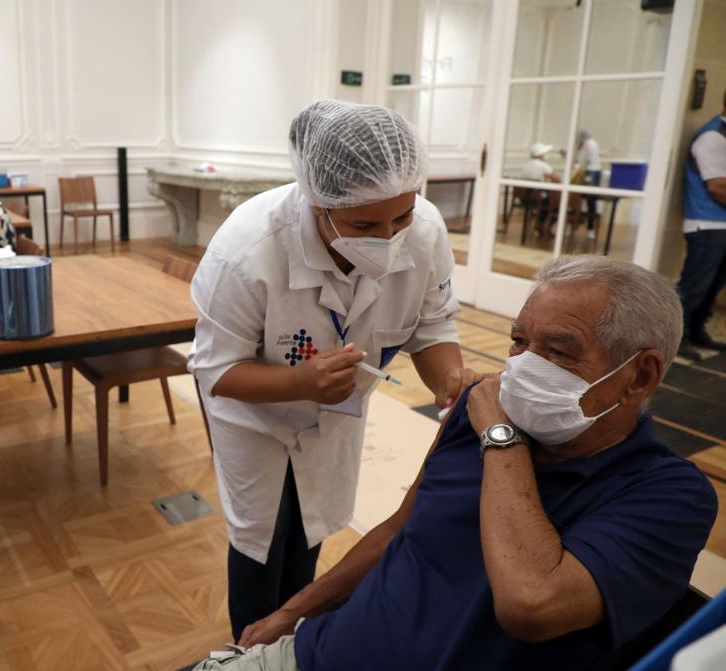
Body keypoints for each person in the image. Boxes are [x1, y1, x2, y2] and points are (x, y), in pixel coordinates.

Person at [191, 255, 717, 671]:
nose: (522, 366)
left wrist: (501, 438)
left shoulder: (670, 495)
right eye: (518, 341)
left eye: (558, 351)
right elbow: (399, 528)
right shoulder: (475, 412)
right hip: (319, 652)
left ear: (640, 376)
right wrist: (290, 614)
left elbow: (530, 604)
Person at [188, 100, 479, 642]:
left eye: (401, 217)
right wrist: (299, 383)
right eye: (364, 224)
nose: (388, 238)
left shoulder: (425, 232)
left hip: (337, 411)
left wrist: (449, 379)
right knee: (259, 541)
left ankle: (294, 638)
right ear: (317, 202)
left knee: (311, 524)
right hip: (255, 418)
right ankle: (249, 654)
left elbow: (432, 326)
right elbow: (215, 370)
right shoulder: (248, 249)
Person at [677, 89, 726, 359]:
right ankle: (676, 337)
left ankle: (697, 330)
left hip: (720, 226)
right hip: (706, 225)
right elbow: (717, 186)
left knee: (713, 285)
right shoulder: (712, 137)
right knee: (695, 285)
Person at [521, 142, 560, 233]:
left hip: (524, 198)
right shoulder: (543, 165)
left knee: (547, 200)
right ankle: (543, 226)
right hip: (537, 199)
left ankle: (540, 224)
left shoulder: (526, 164)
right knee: (556, 204)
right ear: (541, 155)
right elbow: (557, 179)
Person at [573, 129, 602, 240]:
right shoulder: (588, 144)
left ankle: (590, 229)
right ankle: (577, 226)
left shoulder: (589, 144)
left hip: (591, 173)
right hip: (588, 172)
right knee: (578, 198)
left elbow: (582, 161)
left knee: (590, 200)